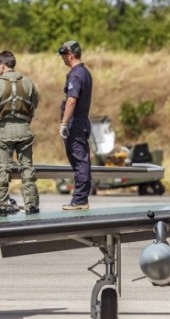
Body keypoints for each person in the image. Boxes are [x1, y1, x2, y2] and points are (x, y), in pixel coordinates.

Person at [0, 50, 40, 216]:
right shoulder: (29, 83)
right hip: (24, 129)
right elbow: (34, 104)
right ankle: (32, 204)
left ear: (2, 65)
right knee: (27, 168)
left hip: (5, 130)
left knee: (3, 168)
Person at [58, 40, 93, 210]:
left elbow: (72, 100)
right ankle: (80, 198)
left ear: (70, 55)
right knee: (79, 161)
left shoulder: (76, 75)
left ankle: (80, 200)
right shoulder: (84, 73)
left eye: (64, 55)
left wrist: (64, 122)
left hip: (75, 124)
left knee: (80, 161)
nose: (63, 58)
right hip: (80, 122)